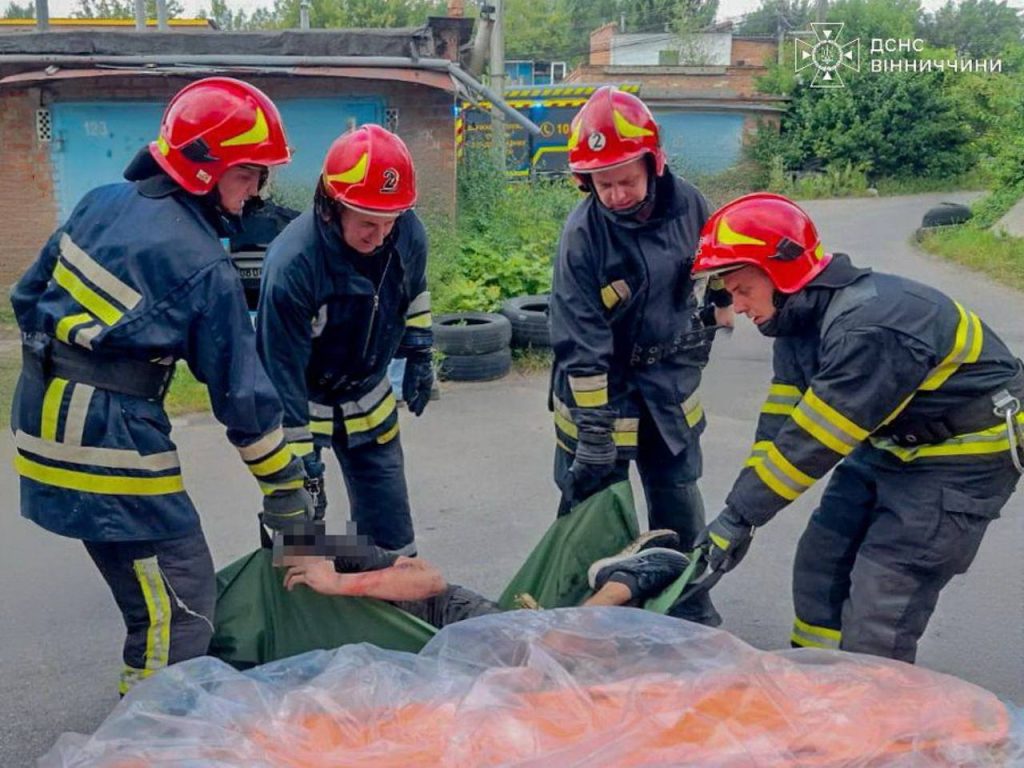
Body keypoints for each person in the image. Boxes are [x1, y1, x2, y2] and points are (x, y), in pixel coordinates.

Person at [10, 77, 313, 695]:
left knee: (151, 595)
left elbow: (26, 295)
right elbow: (244, 400)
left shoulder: (100, 201)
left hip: (41, 418)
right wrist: (287, 490)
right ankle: (151, 731)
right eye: (248, 174)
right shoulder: (202, 262)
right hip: (108, 442)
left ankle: (153, 718)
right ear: (205, 170)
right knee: (180, 607)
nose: (256, 191)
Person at [691, 192, 1023, 662]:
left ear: (782, 272)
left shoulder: (868, 328)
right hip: (892, 441)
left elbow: (812, 444)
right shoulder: (796, 323)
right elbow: (781, 428)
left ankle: (872, 702)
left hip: (963, 452)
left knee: (883, 596)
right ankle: (820, 683)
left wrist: (741, 516)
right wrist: (737, 512)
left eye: (743, 289)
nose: (738, 305)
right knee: (821, 562)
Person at [547, 86, 733, 626]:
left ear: (654, 164)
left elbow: (715, 263)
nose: (616, 194)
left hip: (668, 387)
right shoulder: (582, 235)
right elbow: (579, 338)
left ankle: (690, 610)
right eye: (602, 184)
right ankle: (582, 620)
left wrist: (721, 303)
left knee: (678, 501)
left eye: (626, 180)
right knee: (592, 510)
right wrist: (594, 434)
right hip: (601, 391)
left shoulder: (690, 204)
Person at [257, 125, 433, 556]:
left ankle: (387, 587)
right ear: (331, 207)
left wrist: (420, 349)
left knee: (392, 537)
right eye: (367, 222)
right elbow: (280, 371)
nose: (380, 236)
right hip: (304, 400)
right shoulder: (293, 264)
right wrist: (297, 462)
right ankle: (296, 589)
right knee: (298, 536)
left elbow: (414, 292)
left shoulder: (407, 232)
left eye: (390, 222)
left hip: (368, 396)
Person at [280, 529, 690, 628]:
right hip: (427, 663)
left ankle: (622, 580)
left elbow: (430, 580)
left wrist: (340, 584)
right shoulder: (266, 586)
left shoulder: (331, 547)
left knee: (556, 654)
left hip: (452, 620)